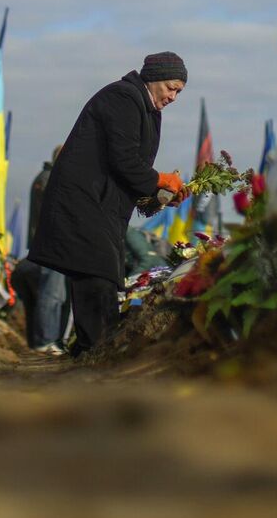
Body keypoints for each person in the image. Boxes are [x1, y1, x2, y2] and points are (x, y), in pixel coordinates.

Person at [30, 52, 189, 356]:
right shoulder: (123, 97)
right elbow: (125, 159)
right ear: (153, 78)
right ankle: (99, 351)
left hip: (102, 205)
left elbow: (130, 168)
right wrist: (160, 179)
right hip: (84, 201)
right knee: (97, 274)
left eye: (179, 91)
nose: (173, 97)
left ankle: (93, 350)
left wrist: (159, 194)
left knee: (101, 275)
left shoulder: (147, 109)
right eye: (171, 87)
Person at [12, 147, 71, 355]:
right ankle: (46, 341)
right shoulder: (50, 180)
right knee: (52, 294)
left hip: (47, 245)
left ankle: (43, 341)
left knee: (53, 295)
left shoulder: (45, 178)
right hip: (52, 245)